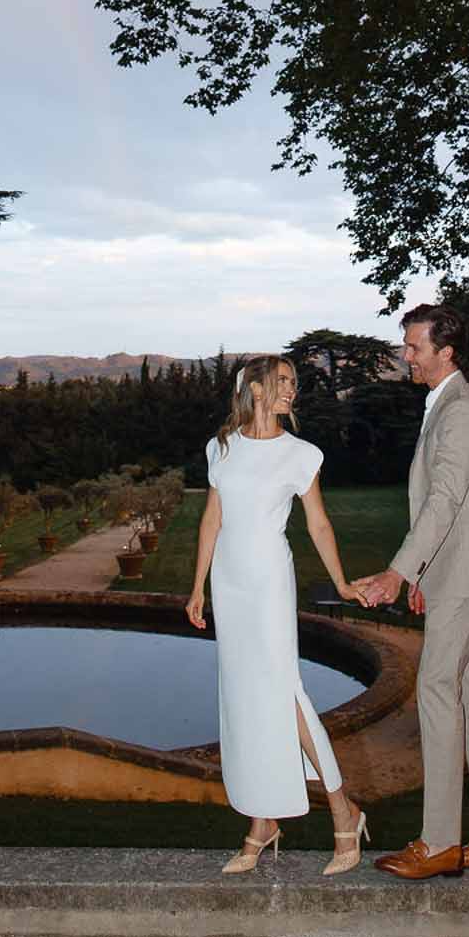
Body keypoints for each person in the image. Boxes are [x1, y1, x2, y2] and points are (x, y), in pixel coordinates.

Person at [354, 303, 469, 878]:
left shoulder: (460, 412)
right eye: (405, 346)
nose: (406, 356)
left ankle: (439, 843)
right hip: (465, 574)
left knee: (435, 691)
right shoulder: (450, 406)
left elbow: (444, 501)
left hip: (466, 577)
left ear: (445, 351)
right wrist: (426, 573)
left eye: (415, 348)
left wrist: (401, 571)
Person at [186, 354, 368, 875]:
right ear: (257, 390)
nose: (292, 390)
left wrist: (339, 582)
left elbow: (318, 525)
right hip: (229, 583)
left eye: (294, 382)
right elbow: (211, 520)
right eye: (283, 381)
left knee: (285, 695)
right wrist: (197, 586)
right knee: (244, 700)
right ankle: (262, 822)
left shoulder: (300, 453)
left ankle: (343, 811)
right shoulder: (220, 447)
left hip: (268, 582)